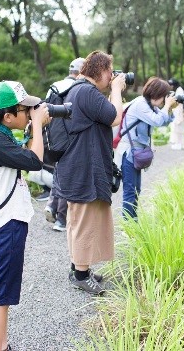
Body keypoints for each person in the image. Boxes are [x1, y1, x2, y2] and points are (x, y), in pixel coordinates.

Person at [0, 80, 49, 351]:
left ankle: (2, 345)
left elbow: (27, 154)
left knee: (3, 294)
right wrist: (39, 127)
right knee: (0, 296)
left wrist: (33, 126)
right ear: (7, 116)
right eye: (25, 109)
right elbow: (34, 161)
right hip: (5, 226)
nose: (30, 112)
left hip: (7, 224)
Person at [55, 50, 126, 295]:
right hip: (83, 168)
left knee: (78, 220)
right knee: (83, 222)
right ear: (101, 71)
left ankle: (78, 267)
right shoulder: (87, 91)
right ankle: (82, 276)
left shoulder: (77, 90)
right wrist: (116, 89)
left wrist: (113, 90)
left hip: (76, 166)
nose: (112, 77)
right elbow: (115, 118)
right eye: (110, 72)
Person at [120, 77, 177, 221]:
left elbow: (164, 121)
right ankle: (129, 226)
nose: (165, 99)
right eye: (164, 95)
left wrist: (169, 109)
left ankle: (133, 222)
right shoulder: (141, 104)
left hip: (137, 152)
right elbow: (157, 121)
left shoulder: (150, 105)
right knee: (130, 191)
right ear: (157, 94)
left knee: (136, 190)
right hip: (129, 153)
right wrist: (166, 107)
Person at [44, 57, 85, 232]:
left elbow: (44, 110)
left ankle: (52, 205)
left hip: (52, 136)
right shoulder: (78, 89)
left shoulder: (54, 85)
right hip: (70, 137)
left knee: (59, 170)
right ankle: (61, 218)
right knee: (68, 174)